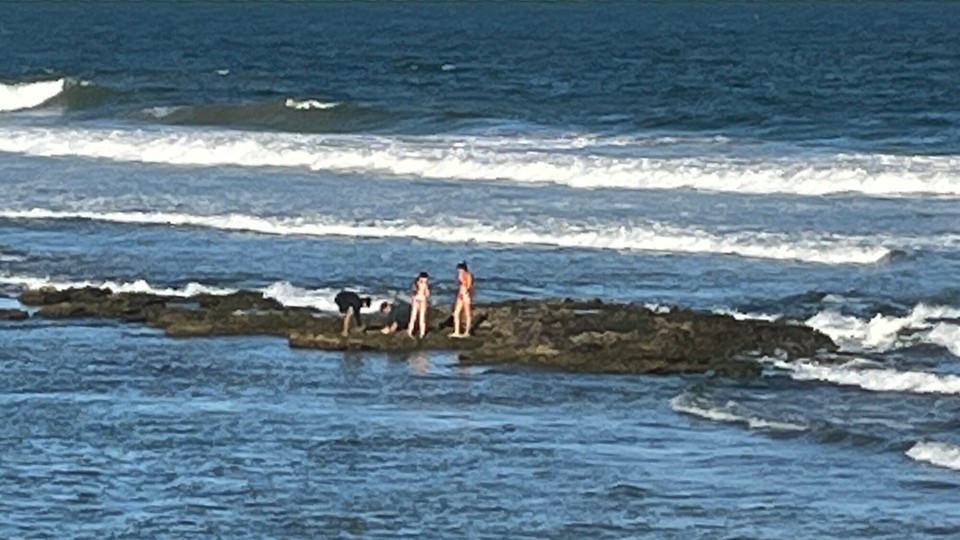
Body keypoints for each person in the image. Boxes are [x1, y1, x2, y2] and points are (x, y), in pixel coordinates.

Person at [450, 261, 474, 337]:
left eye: (460, 270)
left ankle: (467, 331)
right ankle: (456, 331)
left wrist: (462, 280)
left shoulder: (468, 275)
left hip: (466, 295)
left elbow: (468, 286)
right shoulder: (460, 275)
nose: (459, 272)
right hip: (460, 295)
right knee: (456, 313)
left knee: (467, 313)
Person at [407, 271, 430, 338]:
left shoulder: (416, 283)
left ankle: (410, 331)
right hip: (422, 299)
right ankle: (422, 333)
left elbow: (413, 292)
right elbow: (427, 294)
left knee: (413, 317)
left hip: (416, 299)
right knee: (421, 318)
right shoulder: (425, 284)